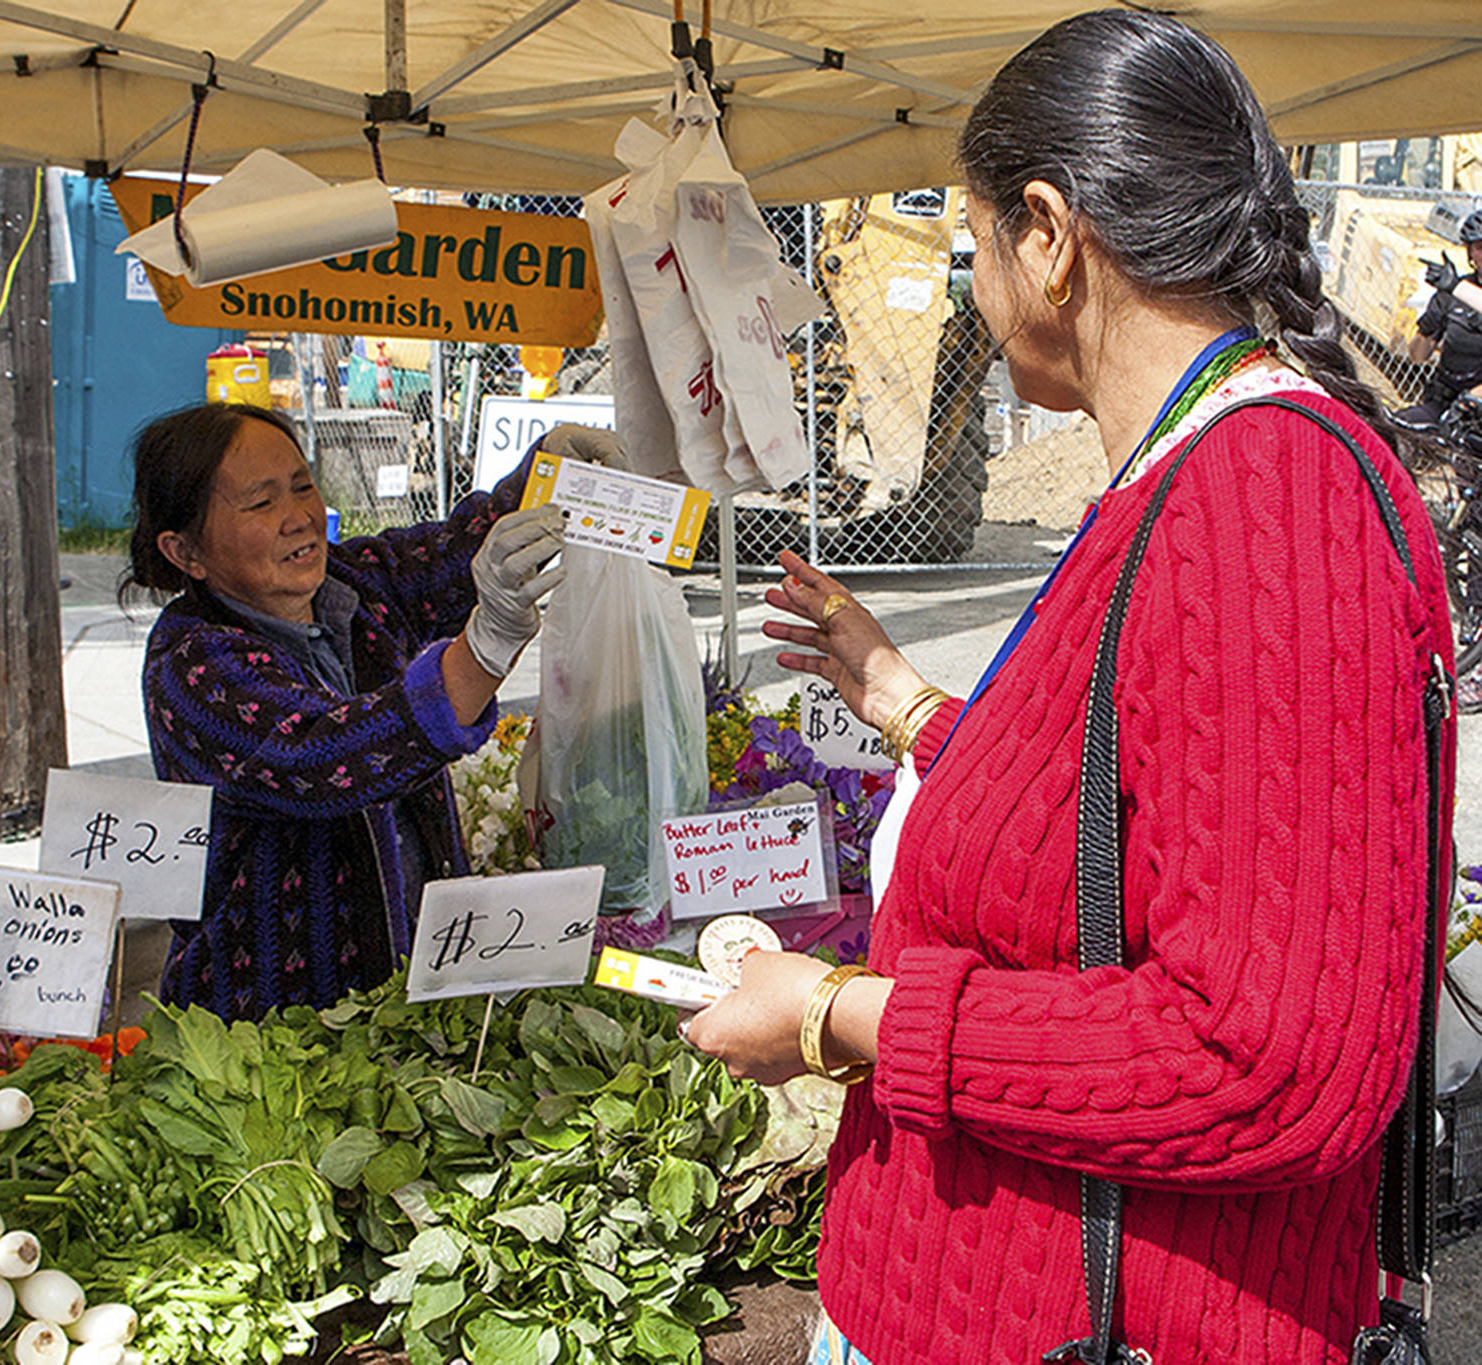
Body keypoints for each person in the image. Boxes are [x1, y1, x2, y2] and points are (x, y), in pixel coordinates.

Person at [684, 11, 1452, 1365]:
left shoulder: (1264, 493)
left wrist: (833, 1015)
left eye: (977, 245)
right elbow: (1136, 822)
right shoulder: (1192, 473)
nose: (980, 294)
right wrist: (911, 704)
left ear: (1049, 233)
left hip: (1096, 1324)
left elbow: (1265, 1064)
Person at [129, 403, 573, 1020]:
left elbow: (447, 558)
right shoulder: (193, 664)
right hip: (272, 1025)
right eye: (260, 504)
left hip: (412, 991)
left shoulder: (350, 585)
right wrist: (484, 650)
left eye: (302, 486)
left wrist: (550, 475)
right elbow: (324, 756)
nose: (297, 518)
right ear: (185, 552)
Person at [1399, 207, 1482, 428]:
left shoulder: (1457, 288)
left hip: (1475, 407)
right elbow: (1417, 357)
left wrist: (1472, 400)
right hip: (1445, 401)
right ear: (1470, 252)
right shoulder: (1451, 295)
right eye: (1480, 247)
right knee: (1395, 429)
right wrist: (1427, 328)